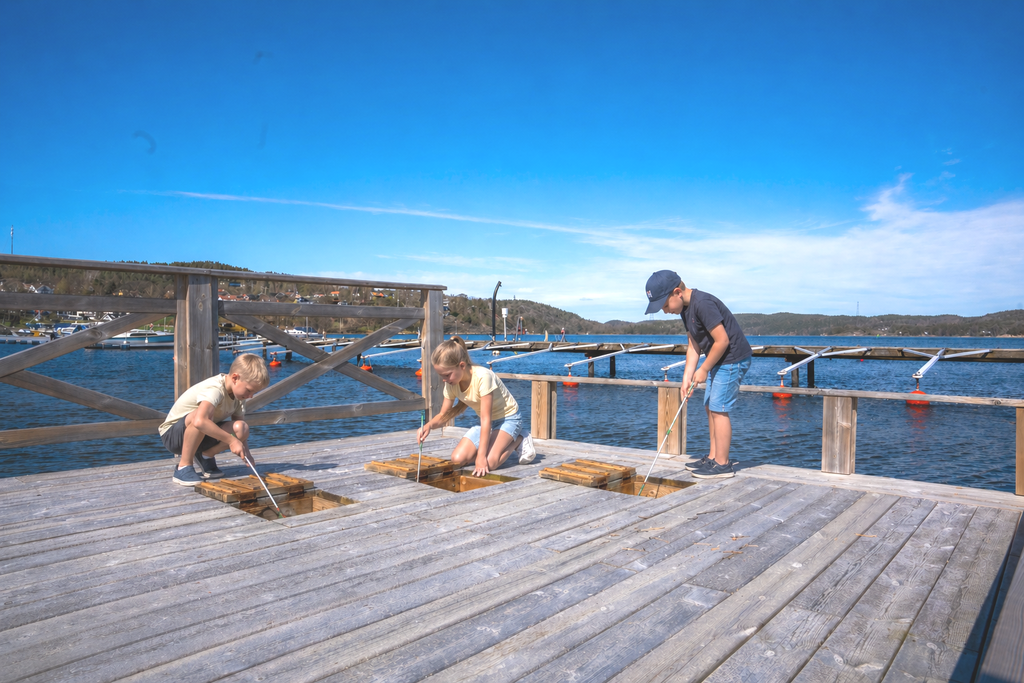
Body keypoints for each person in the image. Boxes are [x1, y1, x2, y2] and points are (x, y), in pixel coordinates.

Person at [645, 270, 752, 479]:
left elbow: (722, 341)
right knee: (709, 405)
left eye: (665, 305)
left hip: (732, 358)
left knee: (719, 409)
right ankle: (713, 457)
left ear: (677, 292)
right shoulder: (685, 309)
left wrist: (703, 369)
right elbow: (693, 345)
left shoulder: (702, 303)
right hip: (719, 359)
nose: (665, 311)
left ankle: (723, 464)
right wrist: (688, 374)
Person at [417, 336, 536, 476]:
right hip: (488, 424)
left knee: (489, 463)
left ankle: (520, 438)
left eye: (447, 375)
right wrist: (428, 426)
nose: (444, 380)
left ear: (462, 366)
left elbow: (485, 419)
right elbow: (443, 415)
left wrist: (481, 457)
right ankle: (493, 443)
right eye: (441, 376)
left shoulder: (483, 377)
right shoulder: (451, 384)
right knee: (457, 459)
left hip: (509, 419)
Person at [158, 353, 269, 485]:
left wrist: (247, 454)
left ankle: (206, 456)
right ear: (235, 378)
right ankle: (183, 467)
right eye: (249, 390)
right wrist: (232, 441)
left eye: (254, 393)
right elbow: (199, 421)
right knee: (201, 416)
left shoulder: (239, 397)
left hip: (201, 435)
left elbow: (239, 431)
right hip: (173, 436)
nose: (250, 396)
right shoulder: (215, 389)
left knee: (242, 428)